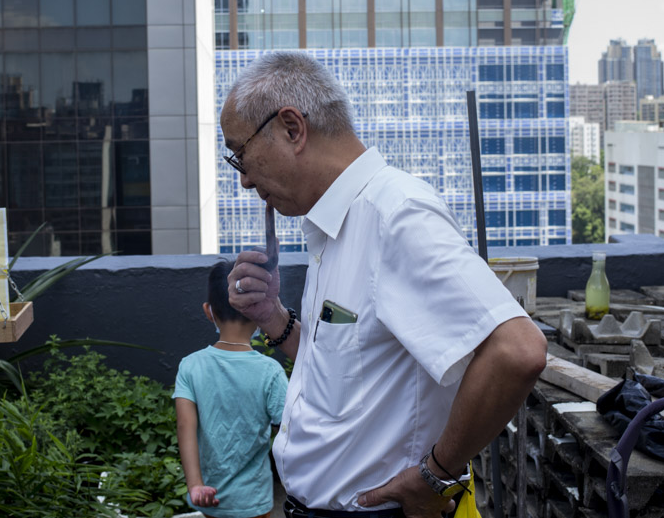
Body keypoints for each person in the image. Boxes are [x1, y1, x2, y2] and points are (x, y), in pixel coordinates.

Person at [221, 52, 548, 518]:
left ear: (292, 129)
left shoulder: (395, 215)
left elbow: (517, 350)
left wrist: (434, 476)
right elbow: (348, 371)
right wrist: (272, 316)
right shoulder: (337, 226)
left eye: (241, 155)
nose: (245, 181)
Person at [173, 260, 289, 518]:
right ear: (257, 310)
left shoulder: (190, 367)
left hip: (209, 499)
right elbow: (291, 430)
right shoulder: (270, 371)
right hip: (255, 501)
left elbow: (186, 427)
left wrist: (195, 485)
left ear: (208, 311)